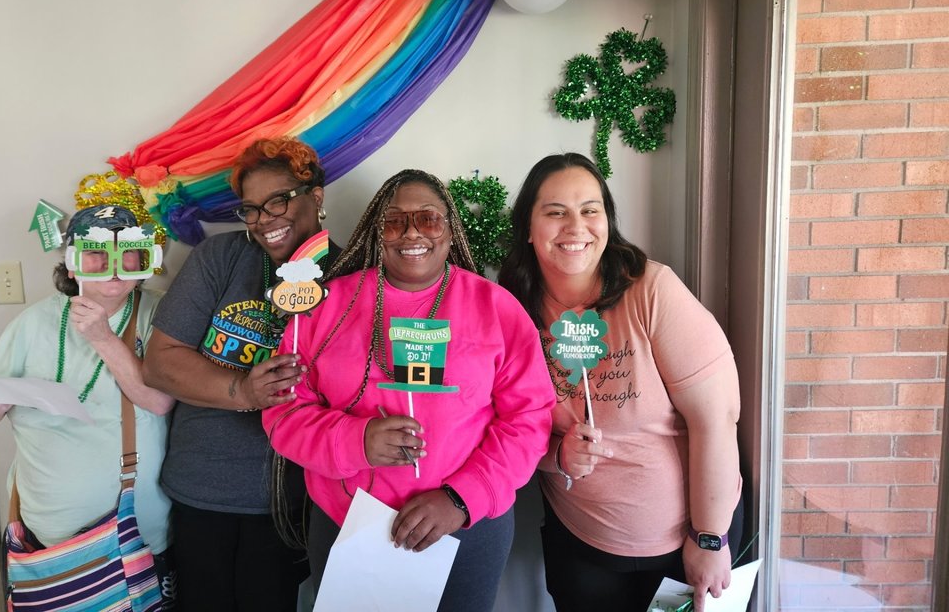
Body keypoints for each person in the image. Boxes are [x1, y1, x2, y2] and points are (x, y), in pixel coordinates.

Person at [262, 168, 555, 612]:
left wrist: (461, 498)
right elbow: (283, 413)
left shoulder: (496, 308)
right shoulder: (324, 308)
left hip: (466, 528)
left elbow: (529, 419)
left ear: (451, 231)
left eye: (429, 219)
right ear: (378, 234)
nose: (411, 232)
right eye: (395, 221)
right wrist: (355, 439)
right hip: (349, 523)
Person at [498, 153, 743, 612]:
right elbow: (509, 433)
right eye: (555, 212)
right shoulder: (514, 313)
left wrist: (709, 537)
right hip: (582, 545)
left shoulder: (651, 290)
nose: (576, 226)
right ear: (528, 229)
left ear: (607, 221)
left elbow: (717, 417)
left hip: (687, 542)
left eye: (590, 210)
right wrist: (559, 456)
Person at [143, 137, 339, 612]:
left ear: (315, 197)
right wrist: (241, 389)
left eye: (279, 200)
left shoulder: (349, 275)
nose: (264, 220)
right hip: (200, 492)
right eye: (251, 209)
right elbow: (160, 361)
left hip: (288, 503)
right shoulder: (222, 258)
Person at [0, 204, 176, 605]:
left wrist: (102, 337)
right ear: (74, 266)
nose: (112, 264)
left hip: (136, 528)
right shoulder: (33, 322)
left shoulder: (163, 311)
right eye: (96, 252)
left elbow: (158, 401)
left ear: (142, 257)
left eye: (125, 251)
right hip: (48, 530)